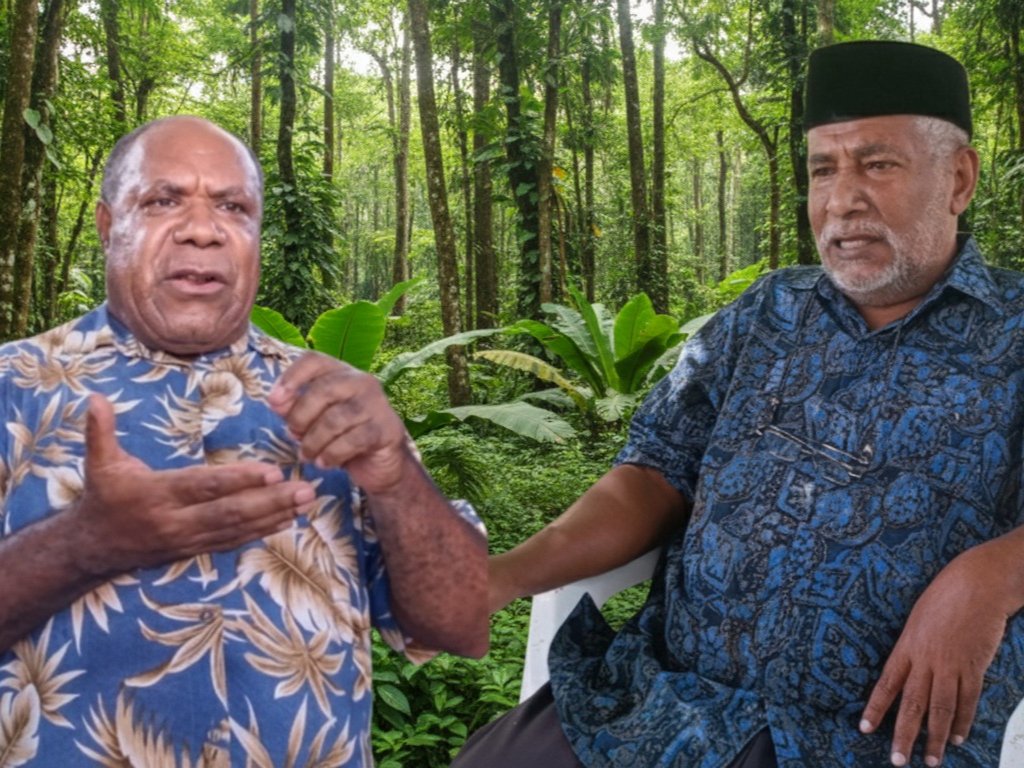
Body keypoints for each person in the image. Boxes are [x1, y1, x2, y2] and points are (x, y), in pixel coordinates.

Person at [453, 40, 1024, 768]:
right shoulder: (766, 313)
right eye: (823, 169)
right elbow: (651, 473)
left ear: (960, 179)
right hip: (656, 708)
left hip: (868, 741)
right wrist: (500, 574)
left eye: (878, 164)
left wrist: (992, 575)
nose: (842, 199)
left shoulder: (1014, 332)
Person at [0, 115, 488, 766]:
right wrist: (84, 544)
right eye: (163, 200)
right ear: (108, 224)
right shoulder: (13, 386)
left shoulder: (333, 400)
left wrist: (397, 474)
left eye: (232, 207)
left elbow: (462, 626)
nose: (203, 229)